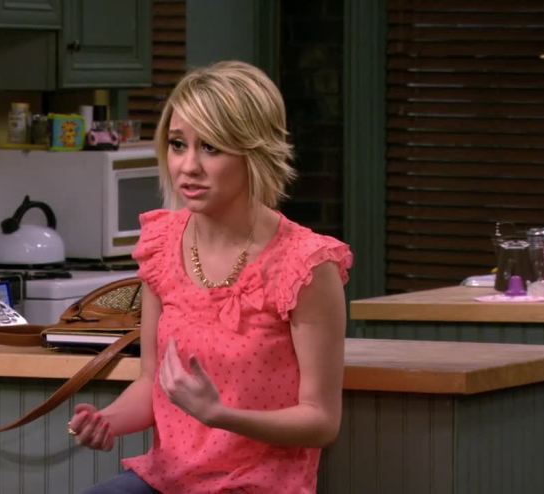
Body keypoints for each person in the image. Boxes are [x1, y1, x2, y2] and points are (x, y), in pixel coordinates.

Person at [67, 60, 353, 494]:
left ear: (254, 152)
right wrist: (108, 421)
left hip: (257, 486)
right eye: (178, 145)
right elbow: (151, 384)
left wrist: (221, 416)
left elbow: (321, 420)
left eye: (211, 148)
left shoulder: (306, 265)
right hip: (167, 480)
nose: (188, 166)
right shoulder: (162, 245)